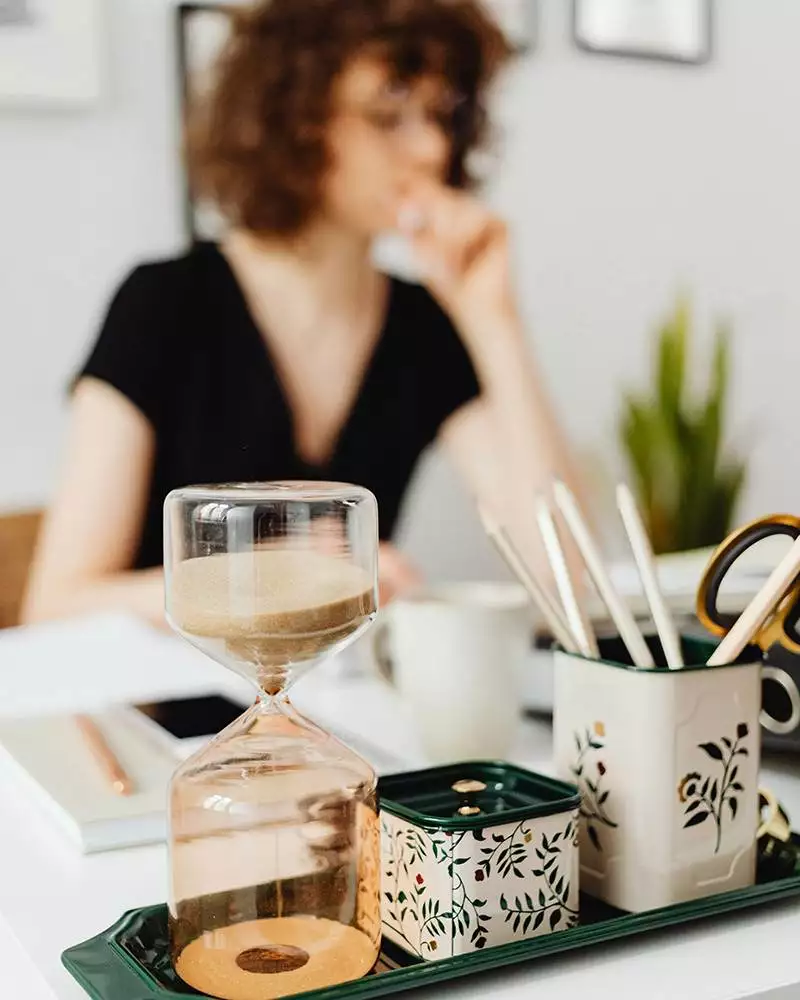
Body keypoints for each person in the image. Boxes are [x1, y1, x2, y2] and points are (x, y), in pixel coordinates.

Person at [23, 0, 582, 627]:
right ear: (294, 118)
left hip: (346, 715)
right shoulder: (165, 304)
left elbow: (568, 581)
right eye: (388, 116)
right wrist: (260, 576)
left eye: (440, 114)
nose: (429, 147)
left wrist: (492, 316)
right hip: (175, 719)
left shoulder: (422, 326)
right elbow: (57, 609)